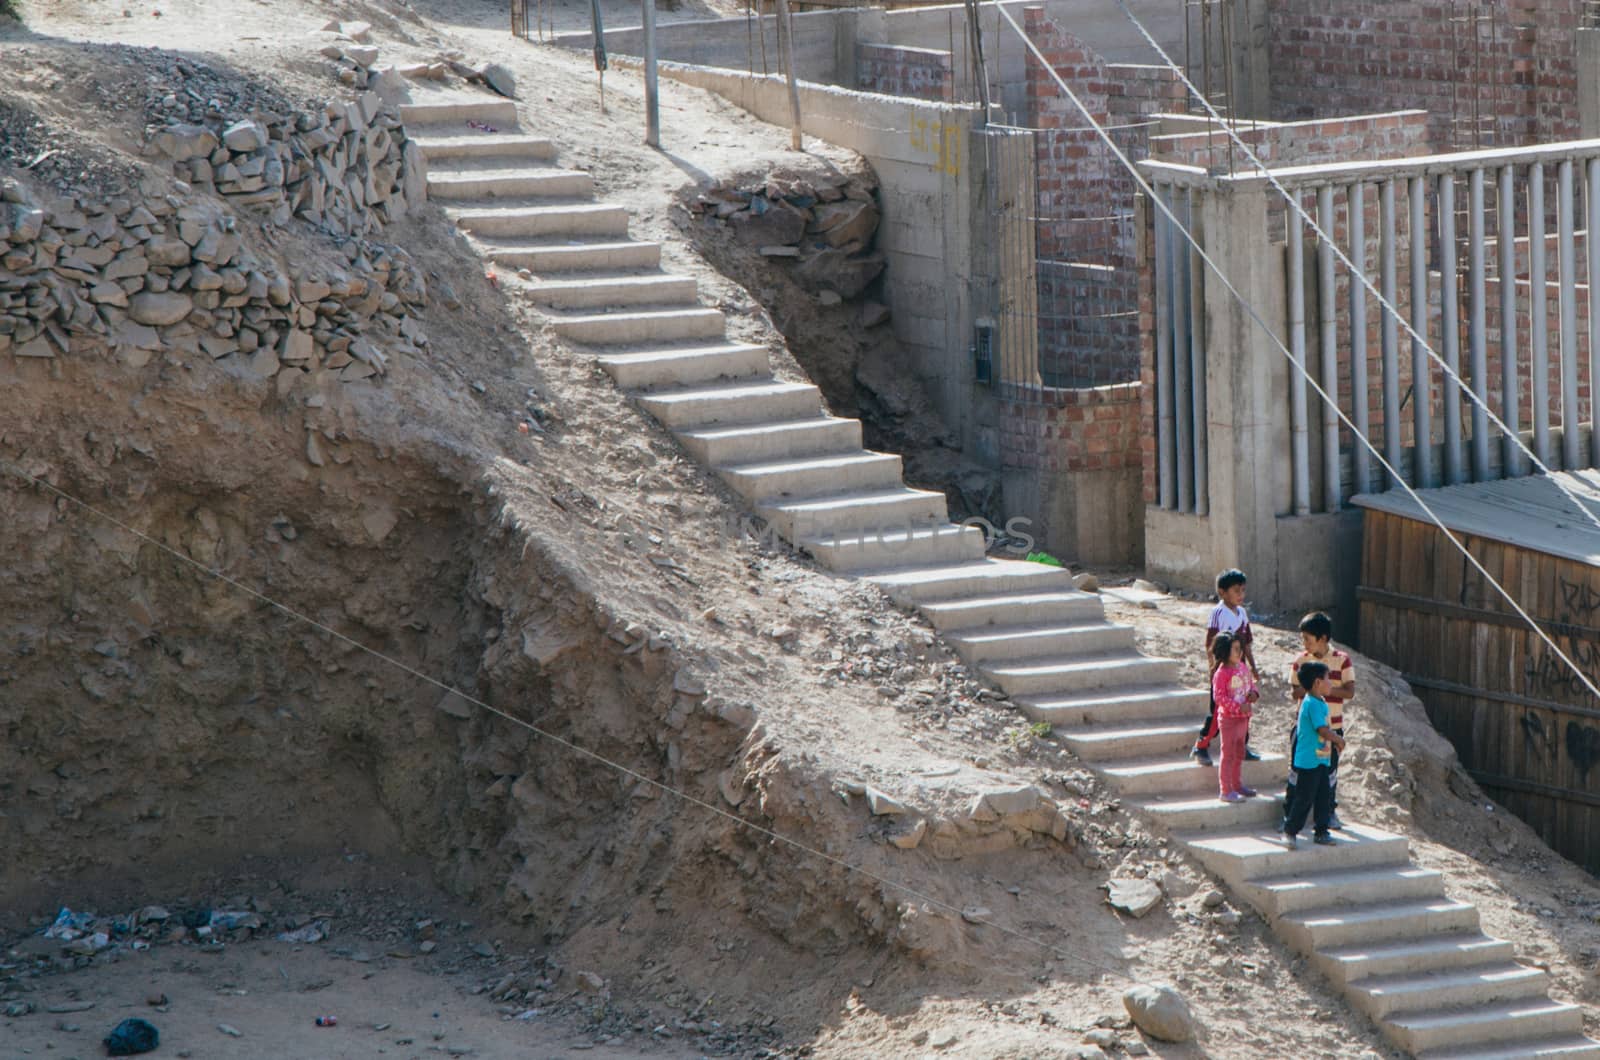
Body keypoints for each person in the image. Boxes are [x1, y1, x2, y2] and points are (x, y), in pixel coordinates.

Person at [1285, 611, 1355, 830]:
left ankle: (1327, 815)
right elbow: (1294, 691)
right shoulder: (1300, 661)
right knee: (1297, 771)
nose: (1304, 644)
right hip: (1305, 731)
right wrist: (1314, 688)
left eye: (1308, 639)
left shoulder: (1342, 660)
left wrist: (1325, 688)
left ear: (1323, 638)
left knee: (1329, 774)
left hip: (1332, 728)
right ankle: (1289, 815)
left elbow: (1349, 691)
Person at [1191, 568, 1261, 767]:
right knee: (1217, 713)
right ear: (1223, 592)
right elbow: (1210, 644)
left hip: (1241, 673)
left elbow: (1246, 643)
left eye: (1243, 590)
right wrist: (1213, 670)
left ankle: (1243, 746)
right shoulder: (1218, 613)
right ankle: (1201, 745)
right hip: (1224, 673)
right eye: (1236, 590)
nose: (1241, 595)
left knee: (1244, 710)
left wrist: (1252, 668)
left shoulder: (1242, 613)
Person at [1283, 661, 1345, 847]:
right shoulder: (1311, 703)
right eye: (1328, 679)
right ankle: (1290, 831)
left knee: (1323, 797)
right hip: (1309, 761)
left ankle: (1321, 831)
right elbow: (1322, 730)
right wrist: (1337, 739)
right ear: (1318, 682)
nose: (1331, 683)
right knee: (1304, 797)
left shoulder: (1320, 702)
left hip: (1321, 759)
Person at [1210, 632, 1259, 802]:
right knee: (1228, 753)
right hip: (1229, 719)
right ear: (1224, 651)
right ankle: (1225, 789)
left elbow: (1250, 684)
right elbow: (1219, 697)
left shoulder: (1242, 668)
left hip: (1243, 718)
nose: (1240, 652)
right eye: (1236, 649)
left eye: (1240, 649)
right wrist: (1238, 707)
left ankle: (1237, 785)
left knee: (1239, 753)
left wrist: (1254, 693)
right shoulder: (1221, 674)